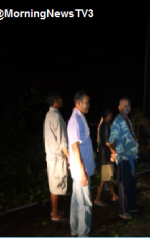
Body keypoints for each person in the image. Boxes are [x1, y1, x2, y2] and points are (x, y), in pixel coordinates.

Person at [67, 90, 95, 237]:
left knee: (77, 202)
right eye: (86, 102)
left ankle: (76, 230)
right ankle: (83, 234)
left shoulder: (80, 118)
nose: (88, 105)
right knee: (85, 203)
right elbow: (74, 147)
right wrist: (83, 172)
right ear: (78, 103)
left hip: (81, 169)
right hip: (81, 171)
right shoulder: (75, 120)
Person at [108, 97, 139, 220]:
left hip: (131, 158)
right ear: (119, 107)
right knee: (123, 186)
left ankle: (131, 206)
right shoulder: (117, 121)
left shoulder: (128, 120)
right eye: (125, 105)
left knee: (131, 184)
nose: (127, 107)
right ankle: (123, 210)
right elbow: (112, 140)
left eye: (129, 105)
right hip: (123, 157)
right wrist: (114, 153)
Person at [43, 90, 69, 222]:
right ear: (55, 101)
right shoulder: (56, 117)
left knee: (54, 185)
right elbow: (63, 142)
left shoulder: (49, 115)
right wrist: (70, 158)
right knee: (56, 186)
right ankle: (54, 214)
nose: (62, 100)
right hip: (57, 158)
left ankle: (55, 210)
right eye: (60, 98)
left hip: (51, 157)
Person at [94, 107, 118, 206]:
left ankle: (113, 195)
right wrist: (113, 152)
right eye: (110, 114)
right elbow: (107, 142)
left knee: (108, 177)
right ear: (108, 114)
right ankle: (97, 199)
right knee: (104, 178)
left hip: (103, 155)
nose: (111, 116)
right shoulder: (105, 126)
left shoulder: (103, 125)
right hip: (106, 156)